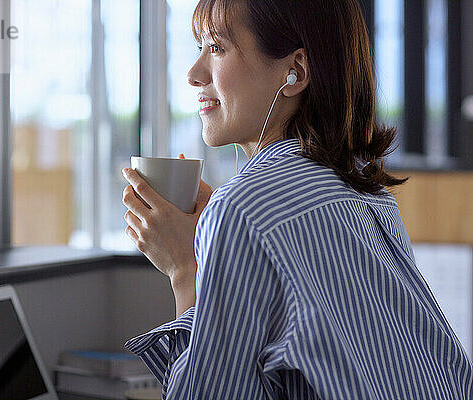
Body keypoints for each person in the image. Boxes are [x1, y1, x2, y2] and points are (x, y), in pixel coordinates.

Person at [121, 0, 473, 398]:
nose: (193, 73)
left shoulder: (239, 208)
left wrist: (187, 269)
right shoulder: (368, 193)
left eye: (216, 48)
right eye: (198, 47)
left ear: (296, 72)